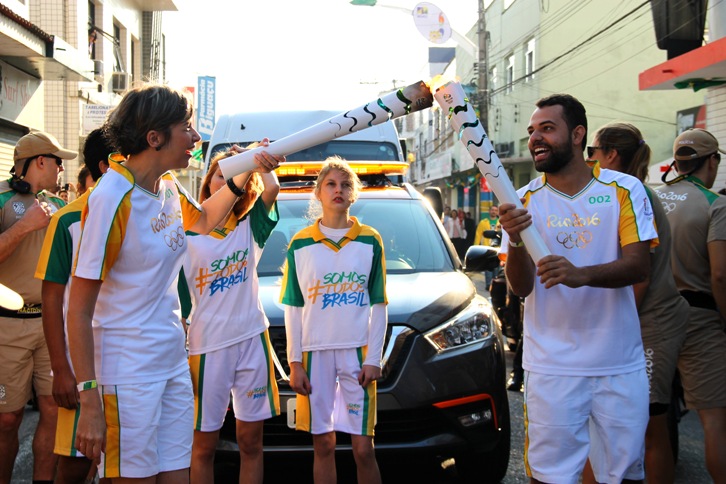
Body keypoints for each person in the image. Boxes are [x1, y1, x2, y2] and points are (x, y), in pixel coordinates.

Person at [65, 84, 285, 482]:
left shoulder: (165, 187)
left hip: (171, 365)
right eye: (186, 127)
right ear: (155, 138)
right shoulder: (111, 198)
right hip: (128, 374)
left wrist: (248, 171)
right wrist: (90, 399)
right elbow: (78, 309)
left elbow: (201, 221)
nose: (196, 137)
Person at [498, 94, 657, 484]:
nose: (536, 137)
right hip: (552, 366)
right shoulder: (524, 200)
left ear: (577, 134)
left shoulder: (624, 189)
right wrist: (516, 239)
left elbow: (639, 264)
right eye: (532, 130)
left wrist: (581, 274)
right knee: (551, 475)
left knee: (625, 473)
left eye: (547, 129)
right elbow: (520, 287)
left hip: (618, 362)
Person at [583, 122, 689, 483]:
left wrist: (613, 325)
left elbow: (638, 274)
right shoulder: (610, 192)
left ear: (610, 155)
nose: (588, 160)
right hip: (629, 325)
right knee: (610, 427)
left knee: (650, 426)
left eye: (592, 152)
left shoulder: (635, 192)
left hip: (649, 324)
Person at [281, 157, 387, 484]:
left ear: (353, 194)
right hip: (314, 355)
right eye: (330, 184)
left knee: (363, 448)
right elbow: (293, 307)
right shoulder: (300, 243)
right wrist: (295, 362)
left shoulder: (370, 240)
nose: (338, 190)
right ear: (317, 193)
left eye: (345, 184)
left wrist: (373, 359)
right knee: (323, 445)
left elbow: (379, 304)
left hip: (357, 354)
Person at [179, 148, 281, 484]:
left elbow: (272, 190)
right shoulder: (186, 233)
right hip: (208, 347)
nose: (225, 181)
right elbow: (178, 299)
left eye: (234, 175)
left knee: (251, 443)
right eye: (220, 174)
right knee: (203, 446)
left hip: (252, 340)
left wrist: (260, 158)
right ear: (208, 183)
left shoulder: (251, 225)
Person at [34, 128, 114, 484]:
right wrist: (61, 369)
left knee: (125, 465)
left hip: (132, 367)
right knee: (75, 463)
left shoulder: (150, 209)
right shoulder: (68, 220)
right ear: (105, 164)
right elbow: (52, 299)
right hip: (83, 371)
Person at [0, 131, 73, 483]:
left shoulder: (59, 207)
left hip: (49, 325)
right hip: (6, 325)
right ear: (41, 161)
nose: (62, 168)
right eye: (58, 161)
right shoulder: (1, 199)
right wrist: (24, 226)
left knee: (54, 410)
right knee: (7, 419)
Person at [654, 128, 726, 483]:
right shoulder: (716, 204)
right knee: (715, 420)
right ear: (711, 161)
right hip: (699, 318)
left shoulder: (653, 198)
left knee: (653, 423)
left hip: (654, 319)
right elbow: (720, 276)